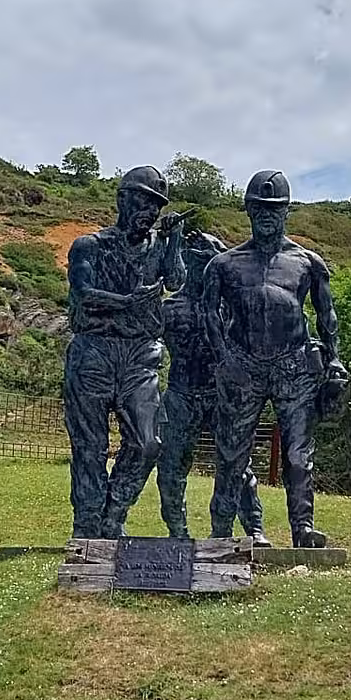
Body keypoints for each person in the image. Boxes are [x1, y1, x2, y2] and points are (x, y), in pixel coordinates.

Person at [199, 170, 346, 548]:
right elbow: (208, 313)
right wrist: (224, 359)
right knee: (231, 454)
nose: (267, 215)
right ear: (248, 210)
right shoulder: (224, 265)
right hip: (242, 366)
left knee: (298, 455)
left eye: (274, 209)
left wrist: (334, 360)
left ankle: (303, 529)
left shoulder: (309, 263)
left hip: (294, 366)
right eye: (260, 208)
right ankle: (220, 532)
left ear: (286, 212)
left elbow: (326, 315)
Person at [62, 166, 185, 538]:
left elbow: (177, 280)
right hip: (94, 353)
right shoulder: (90, 245)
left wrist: (174, 241)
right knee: (90, 447)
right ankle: (86, 529)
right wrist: (128, 301)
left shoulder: (158, 248)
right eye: (143, 202)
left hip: (139, 356)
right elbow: (84, 294)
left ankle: (113, 513)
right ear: (123, 199)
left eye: (156, 206)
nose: (149, 212)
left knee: (148, 443)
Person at [157, 231, 267, 545]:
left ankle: (254, 529)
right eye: (197, 255)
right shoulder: (170, 309)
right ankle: (178, 533)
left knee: (238, 466)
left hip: (221, 396)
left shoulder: (230, 309)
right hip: (180, 395)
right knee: (171, 467)